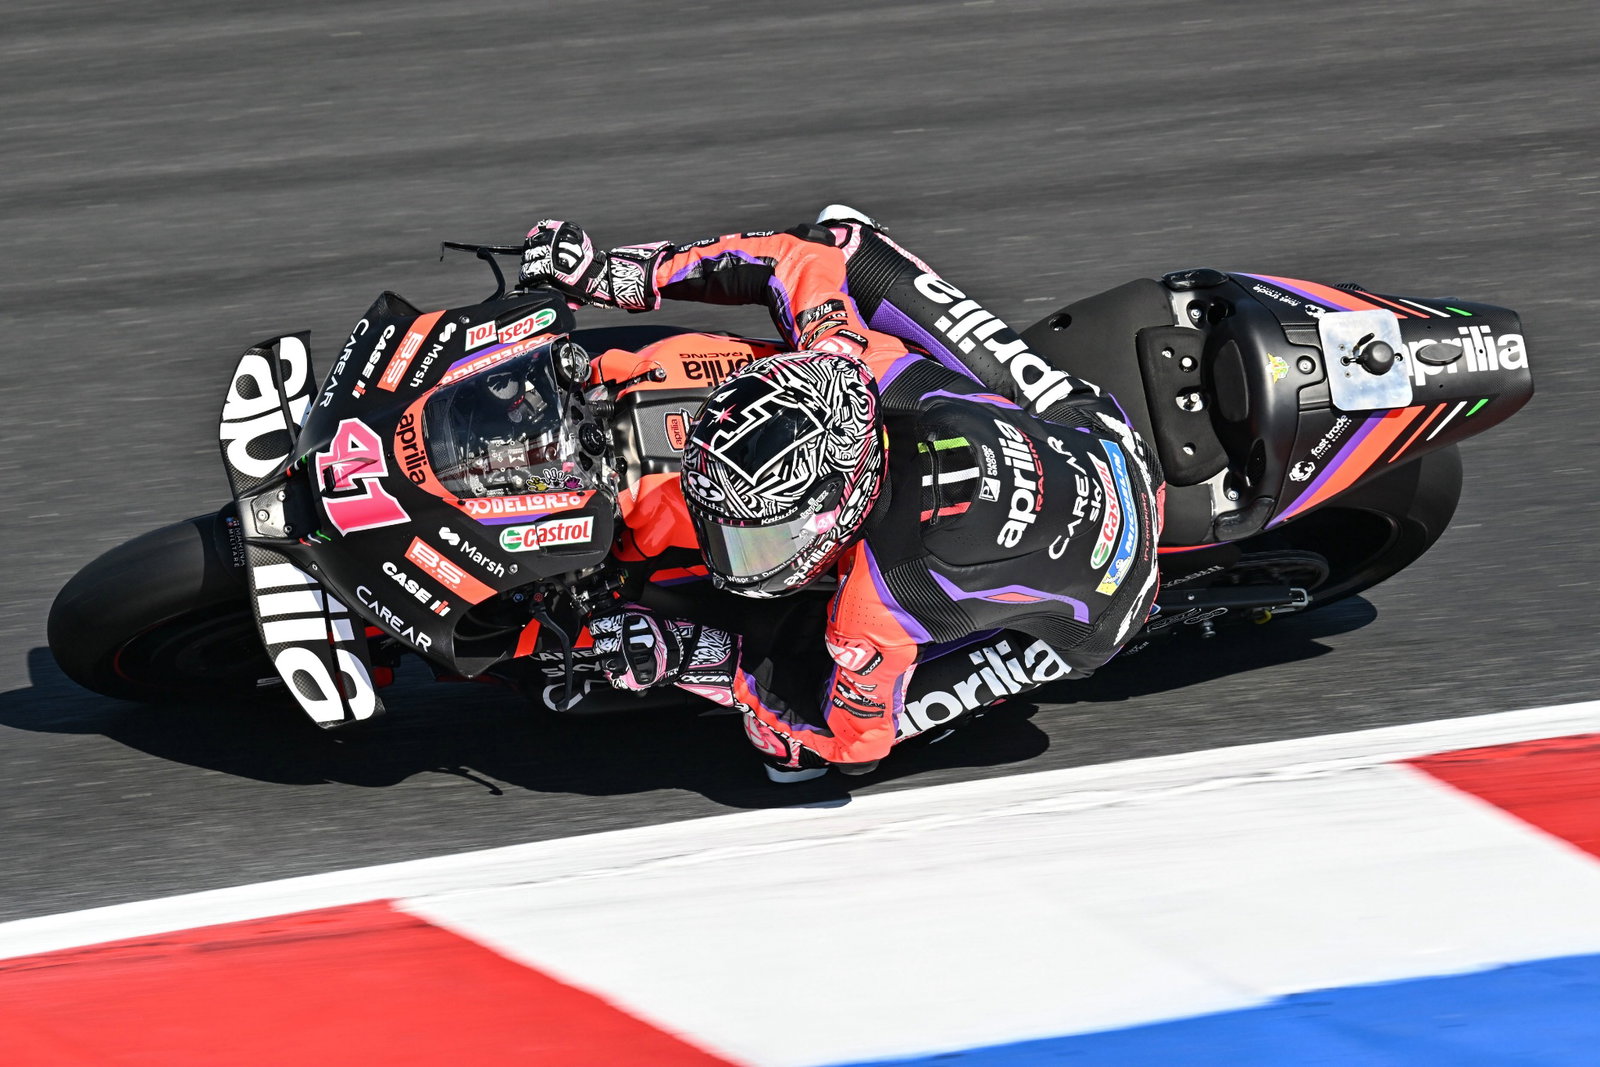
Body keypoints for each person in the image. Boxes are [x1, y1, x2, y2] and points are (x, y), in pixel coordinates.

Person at [523, 208, 1164, 782]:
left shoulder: (872, 611)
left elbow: (856, 739)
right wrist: (620, 275)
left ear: (838, 504)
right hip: (1089, 428)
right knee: (842, 239)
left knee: (795, 753)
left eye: (755, 536)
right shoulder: (853, 363)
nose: (735, 553)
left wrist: (696, 657)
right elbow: (794, 256)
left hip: (1110, 602)